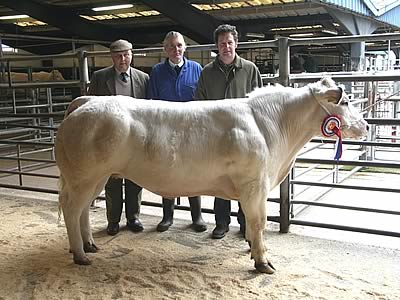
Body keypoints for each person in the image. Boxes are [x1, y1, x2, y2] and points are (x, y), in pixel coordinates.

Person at [195, 24, 263, 239]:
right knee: (220, 180)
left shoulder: (250, 69)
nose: (226, 47)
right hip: (216, 138)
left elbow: (260, 103)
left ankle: (245, 224)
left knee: (246, 180)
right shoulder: (207, 72)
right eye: (222, 43)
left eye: (230, 42)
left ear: (236, 44)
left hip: (245, 137)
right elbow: (199, 103)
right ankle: (221, 223)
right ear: (216, 46)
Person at [87, 39, 149, 236]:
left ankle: (134, 217)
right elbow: (91, 107)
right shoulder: (99, 78)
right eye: (118, 55)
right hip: (110, 139)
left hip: (135, 138)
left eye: (126, 54)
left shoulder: (143, 79)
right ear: (112, 57)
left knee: (136, 178)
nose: (123, 59)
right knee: (111, 181)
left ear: (132, 55)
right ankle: (113, 220)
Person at [147, 31, 207, 233]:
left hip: (192, 130)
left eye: (179, 45)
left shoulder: (197, 69)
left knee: (194, 170)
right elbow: (152, 102)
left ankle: (197, 216)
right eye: (171, 46)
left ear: (185, 47)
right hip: (166, 130)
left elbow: (202, 100)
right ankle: (167, 216)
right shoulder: (156, 72)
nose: (176, 50)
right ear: (165, 50)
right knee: (167, 170)